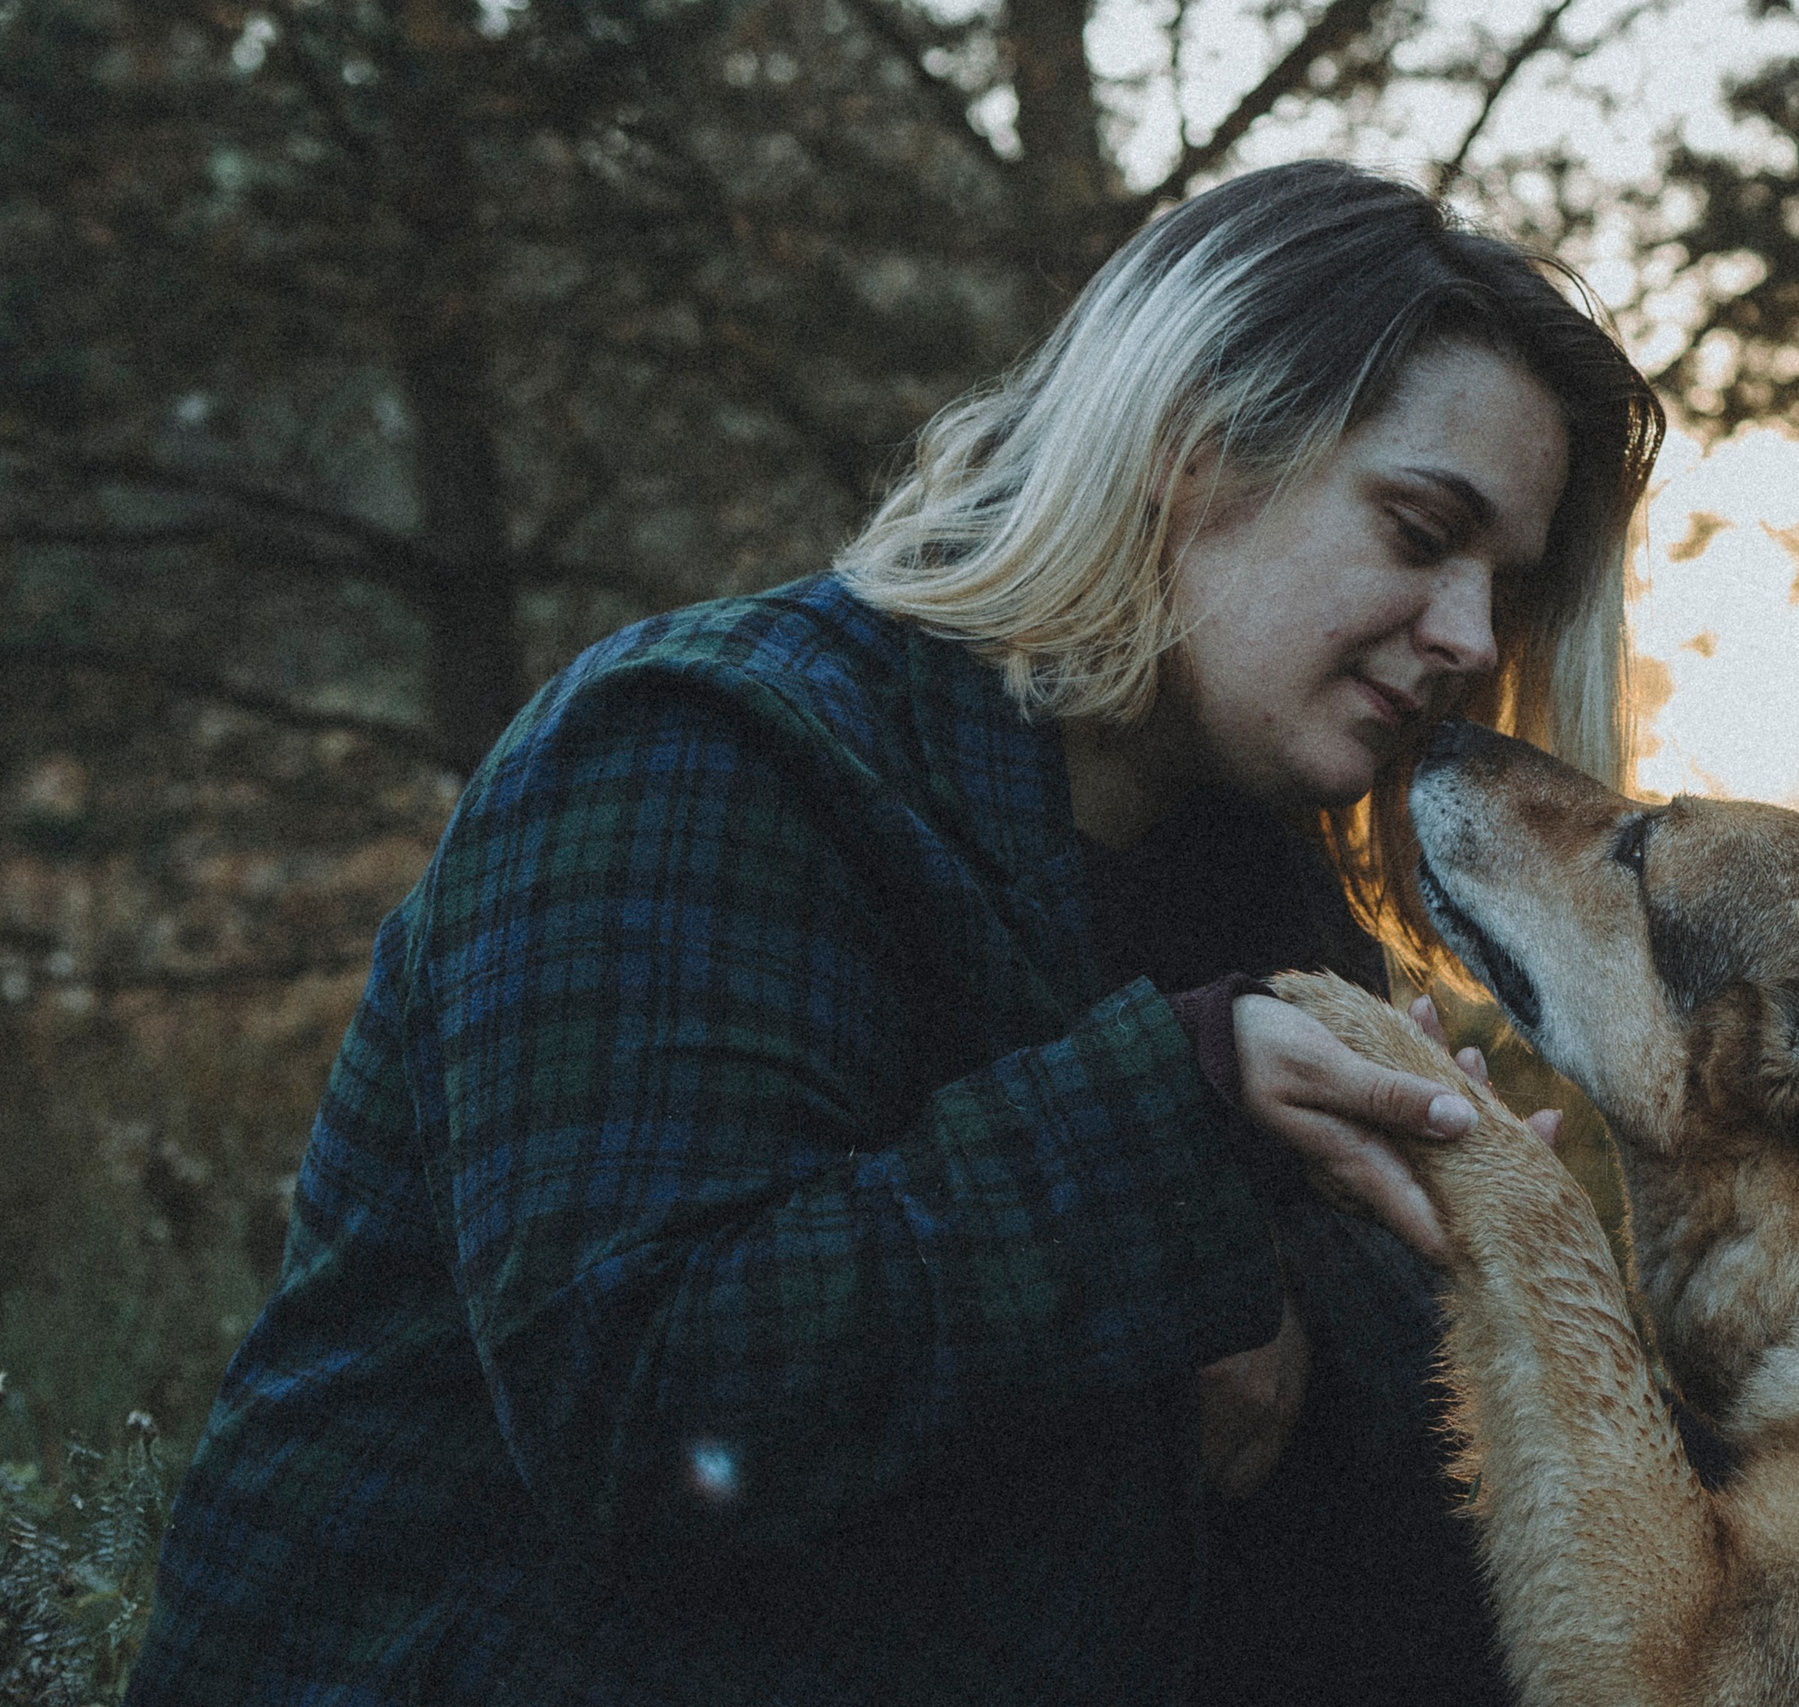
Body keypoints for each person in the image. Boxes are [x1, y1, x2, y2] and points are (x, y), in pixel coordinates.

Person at [127, 159, 1663, 1705]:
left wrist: (1475, 1269)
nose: (1471, 637)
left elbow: (1332, 1466)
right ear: (1196, 453)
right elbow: (652, 1402)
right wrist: (1189, 1119)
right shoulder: (706, 752)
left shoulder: (1255, 886)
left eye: (1502, 585)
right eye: (1417, 530)